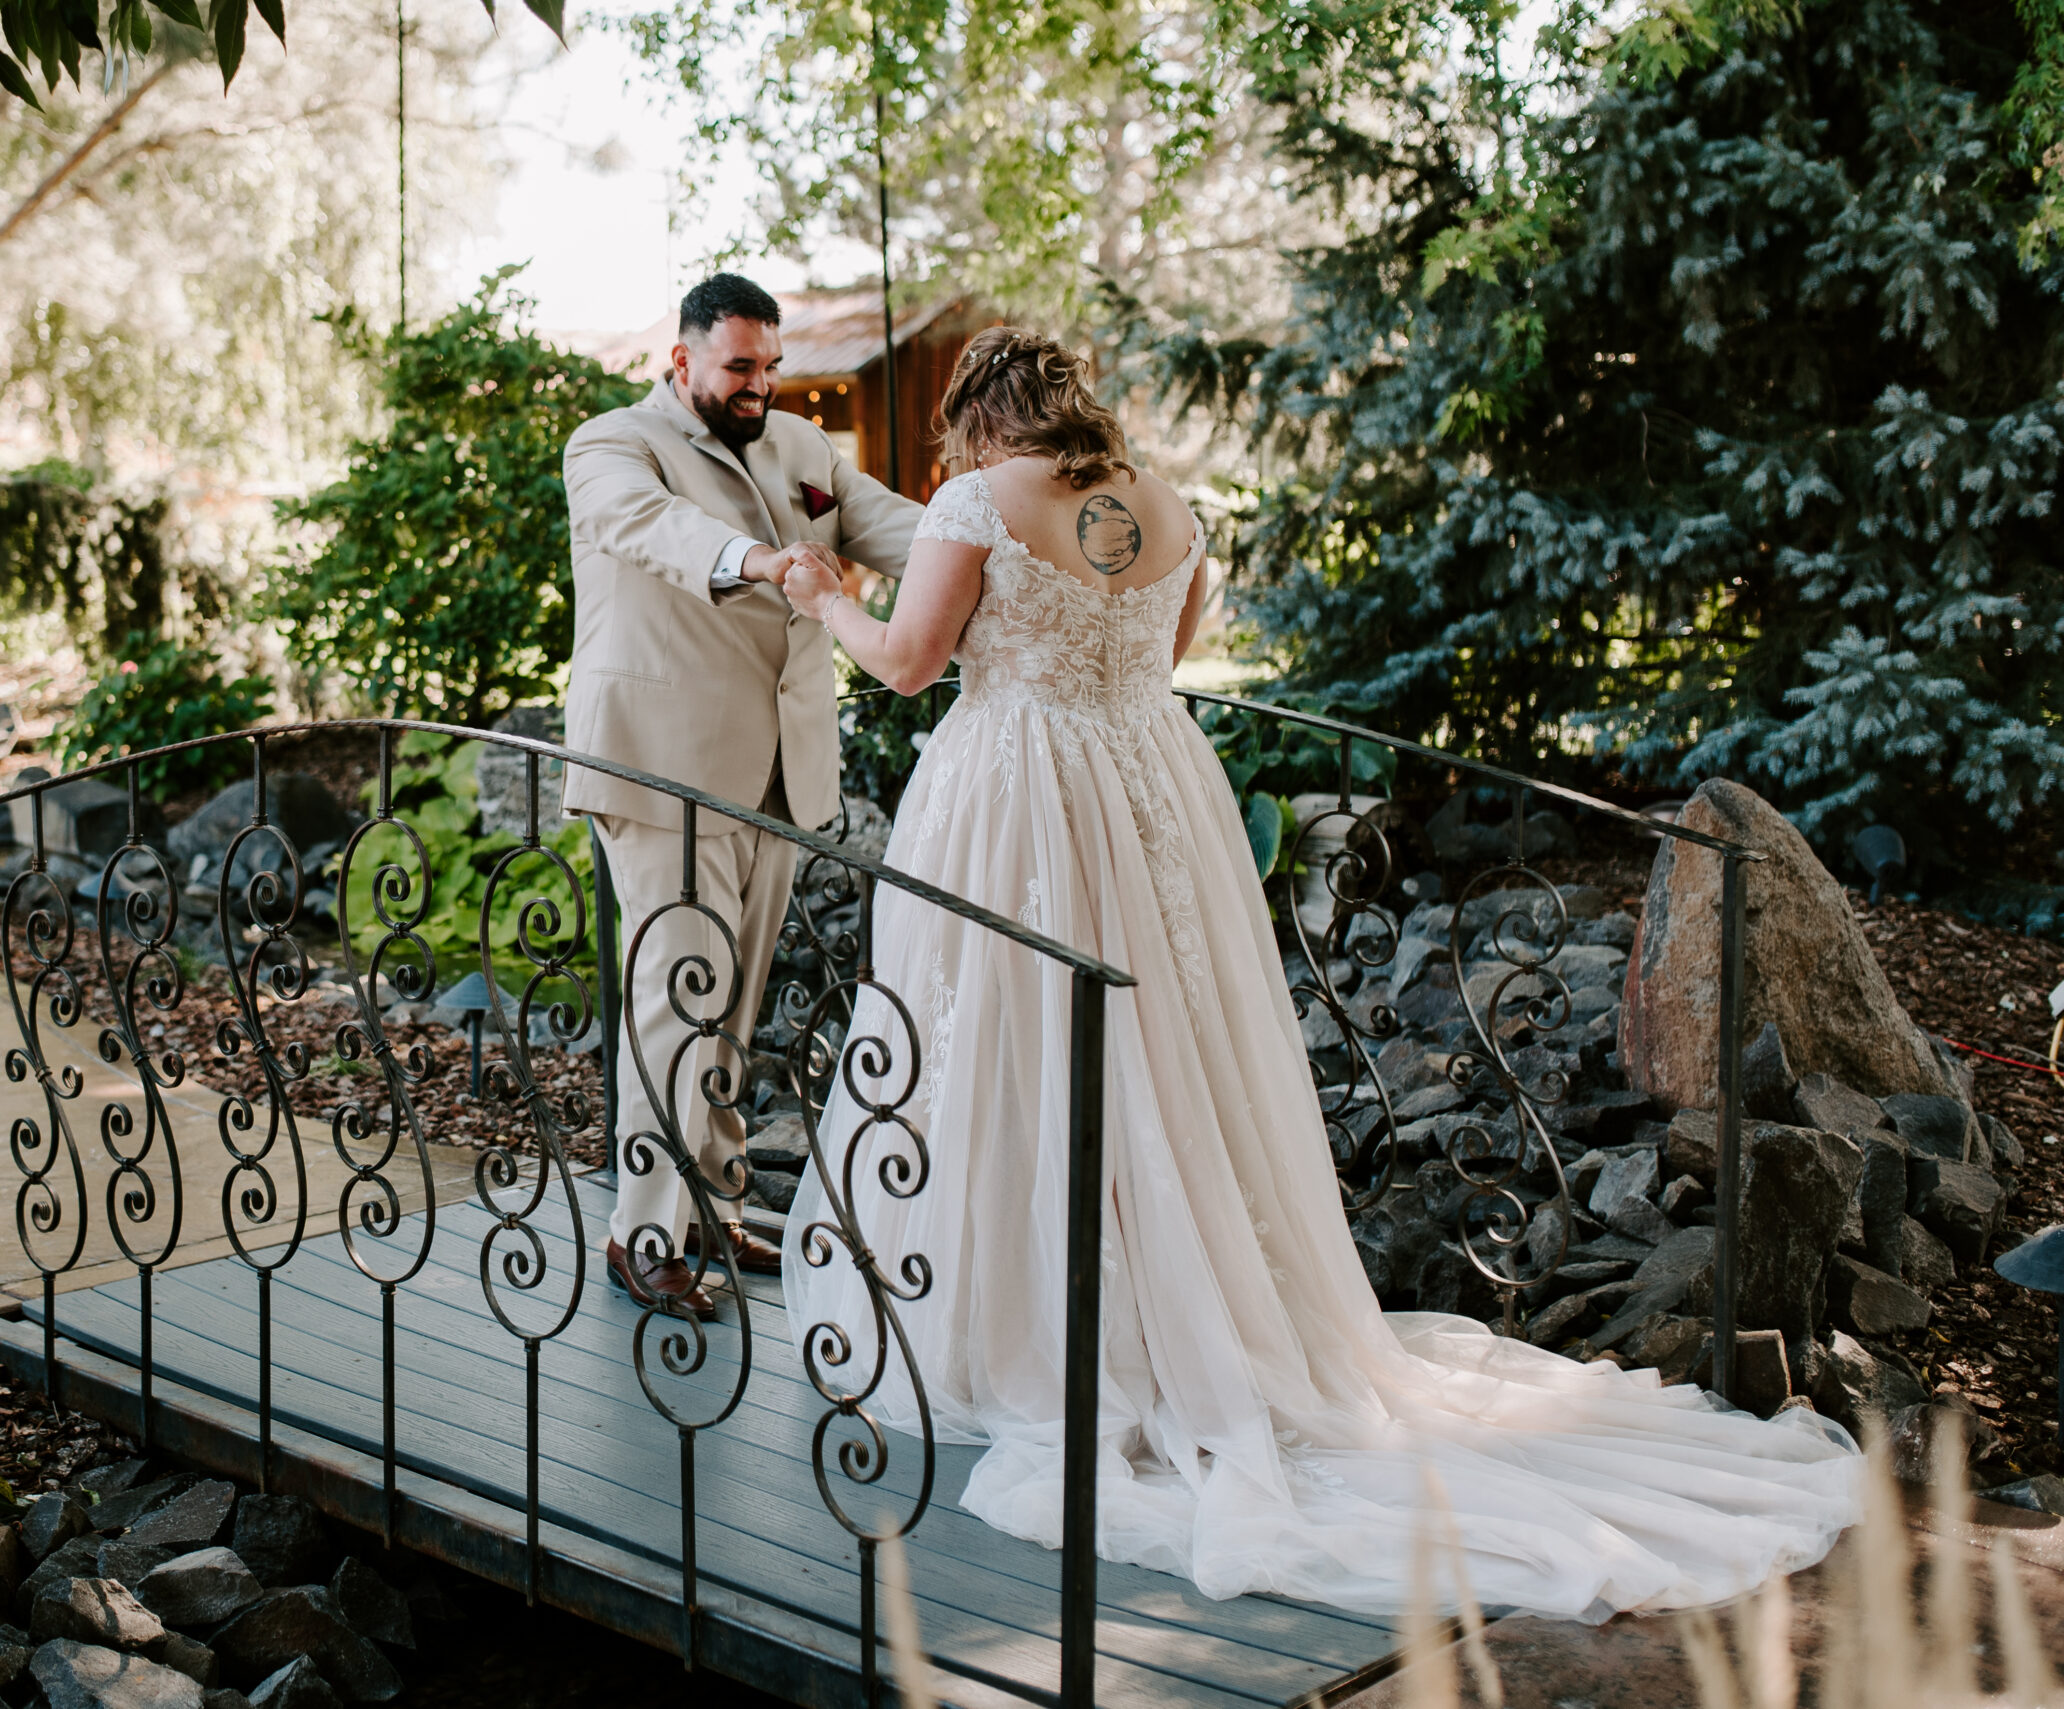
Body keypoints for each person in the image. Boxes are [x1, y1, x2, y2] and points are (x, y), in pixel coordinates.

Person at [777, 324, 1861, 1621]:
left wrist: (819, 591)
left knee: (1005, 1043)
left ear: (973, 419)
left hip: (1020, 802)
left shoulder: (973, 498)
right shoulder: (1159, 506)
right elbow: (1159, 661)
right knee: (1167, 1060)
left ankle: (1011, 1316)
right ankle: (1181, 1307)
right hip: (1150, 793)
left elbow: (907, 664)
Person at [562, 273, 923, 1323]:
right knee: (678, 1001)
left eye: (771, 365)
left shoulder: (804, 449)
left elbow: (886, 524)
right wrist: (763, 561)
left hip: (778, 768)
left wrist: (991, 548)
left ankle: (711, 1204)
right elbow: (652, 531)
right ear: (682, 361)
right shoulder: (611, 444)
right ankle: (642, 1230)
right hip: (661, 766)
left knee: (729, 1007)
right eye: (739, 366)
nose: (761, 383)